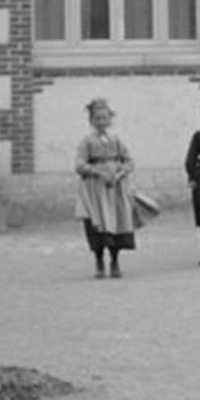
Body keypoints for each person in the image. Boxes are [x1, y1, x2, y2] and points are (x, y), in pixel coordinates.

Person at [74, 98, 138, 278]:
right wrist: (97, 172)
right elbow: (79, 164)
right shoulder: (87, 142)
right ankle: (99, 261)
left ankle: (115, 261)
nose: (101, 122)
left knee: (115, 222)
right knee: (98, 223)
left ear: (110, 119)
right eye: (97, 118)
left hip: (115, 188)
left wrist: (119, 173)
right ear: (91, 121)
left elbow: (129, 161)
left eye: (105, 118)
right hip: (96, 190)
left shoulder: (116, 140)